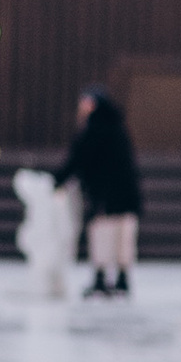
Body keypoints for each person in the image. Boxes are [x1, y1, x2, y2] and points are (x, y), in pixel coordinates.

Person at [53, 85, 142, 299]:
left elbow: (77, 159)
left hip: (104, 194)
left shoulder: (94, 129)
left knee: (104, 233)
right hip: (126, 193)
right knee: (123, 235)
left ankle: (102, 277)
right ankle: (122, 277)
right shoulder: (119, 127)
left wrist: (57, 180)